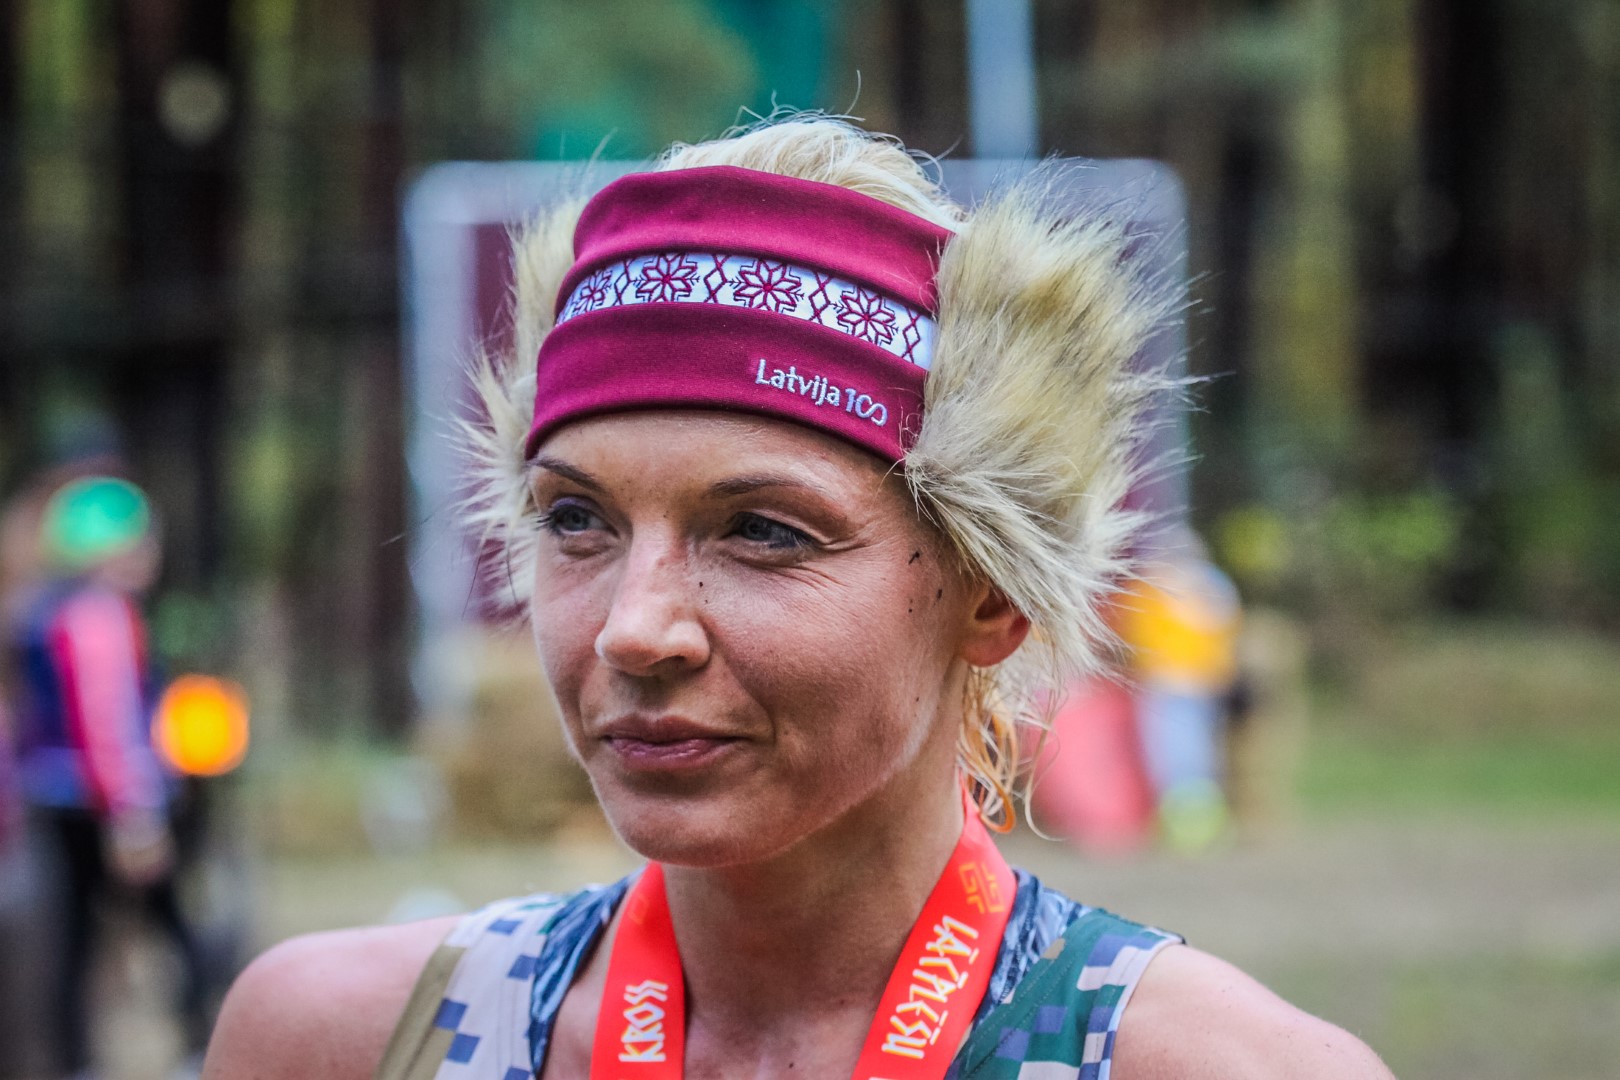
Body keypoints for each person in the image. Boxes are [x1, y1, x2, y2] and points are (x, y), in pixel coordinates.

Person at [203, 116, 1393, 1078]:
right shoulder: (343, 1045)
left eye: (763, 532)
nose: (635, 627)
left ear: (991, 593)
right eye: (577, 520)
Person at [9, 476, 209, 1078]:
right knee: (170, 924)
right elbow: (107, 721)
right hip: (102, 802)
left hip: (51, 796)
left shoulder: (44, 612)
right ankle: (198, 1045)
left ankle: (75, 1063)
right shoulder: (100, 617)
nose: (151, 553)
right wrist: (135, 813)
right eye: (142, 540)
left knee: (70, 941)